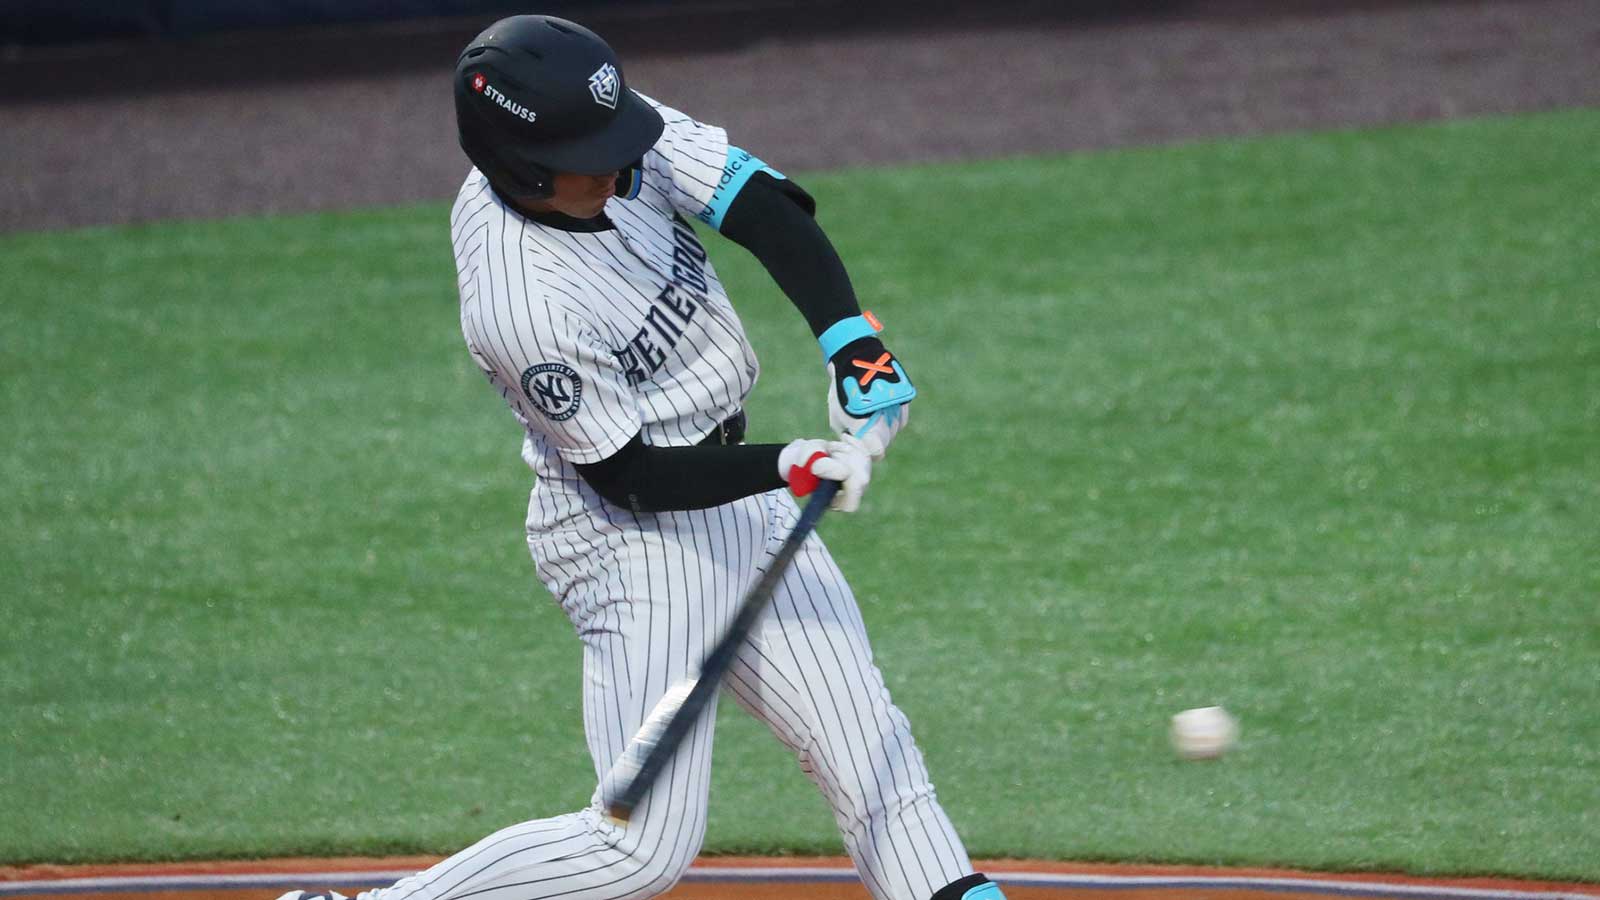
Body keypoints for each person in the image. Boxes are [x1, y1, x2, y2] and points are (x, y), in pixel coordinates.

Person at [278, 14, 1005, 900]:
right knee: (638, 849)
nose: (621, 166)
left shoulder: (604, 131)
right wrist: (790, 466)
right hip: (627, 539)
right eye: (594, 157)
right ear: (523, 166)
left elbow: (761, 204)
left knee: (871, 752)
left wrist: (851, 342)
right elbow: (631, 474)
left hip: (738, 489)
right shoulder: (522, 299)